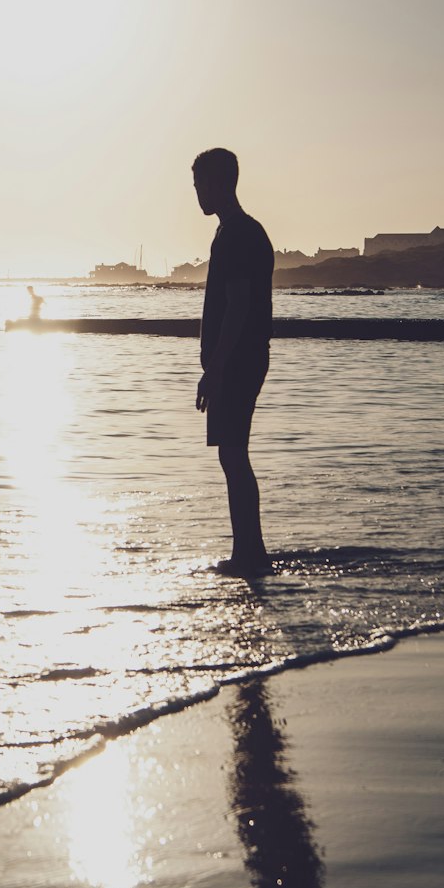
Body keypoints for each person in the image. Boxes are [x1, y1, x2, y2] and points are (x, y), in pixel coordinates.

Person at [193, 147, 273, 575]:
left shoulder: (240, 233)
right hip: (236, 360)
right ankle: (248, 551)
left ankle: (251, 555)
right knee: (232, 454)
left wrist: (216, 368)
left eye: (200, 186)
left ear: (221, 183)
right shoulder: (231, 232)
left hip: (239, 362)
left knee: (234, 454)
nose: (198, 195)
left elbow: (239, 305)